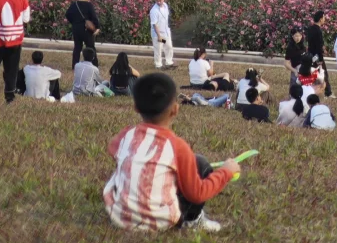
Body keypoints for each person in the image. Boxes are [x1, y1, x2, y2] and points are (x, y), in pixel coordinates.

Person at [103, 72, 243, 232]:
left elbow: (112, 149)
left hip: (119, 216)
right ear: (175, 109)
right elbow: (197, 193)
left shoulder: (125, 135)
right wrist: (226, 172)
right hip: (161, 222)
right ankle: (192, 220)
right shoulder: (178, 147)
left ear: (135, 108)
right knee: (200, 163)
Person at [66, 0, 100, 67]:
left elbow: (67, 14)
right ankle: (94, 64)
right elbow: (94, 17)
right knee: (91, 47)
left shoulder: (74, 5)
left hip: (76, 29)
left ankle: (75, 65)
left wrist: (74, 22)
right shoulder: (89, 5)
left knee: (77, 48)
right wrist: (97, 27)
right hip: (86, 30)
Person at [149, 0, 173, 69]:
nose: (159, 2)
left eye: (160, 0)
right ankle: (158, 64)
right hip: (158, 34)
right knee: (158, 49)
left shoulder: (165, 6)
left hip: (166, 32)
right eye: (157, 1)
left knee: (168, 46)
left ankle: (169, 62)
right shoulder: (154, 11)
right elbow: (154, 24)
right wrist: (159, 36)